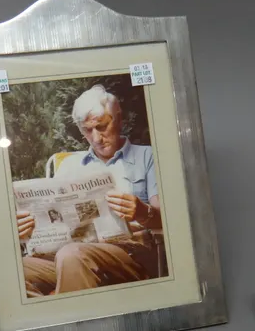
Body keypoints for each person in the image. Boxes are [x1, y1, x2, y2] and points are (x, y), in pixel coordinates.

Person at [17, 85, 163, 297]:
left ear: (119, 119)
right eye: (87, 130)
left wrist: (142, 212)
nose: (96, 138)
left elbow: (166, 221)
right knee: (16, 270)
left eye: (102, 126)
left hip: (129, 254)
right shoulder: (69, 165)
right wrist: (27, 228)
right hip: (70, 253)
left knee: (71, 255)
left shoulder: (147, 157)